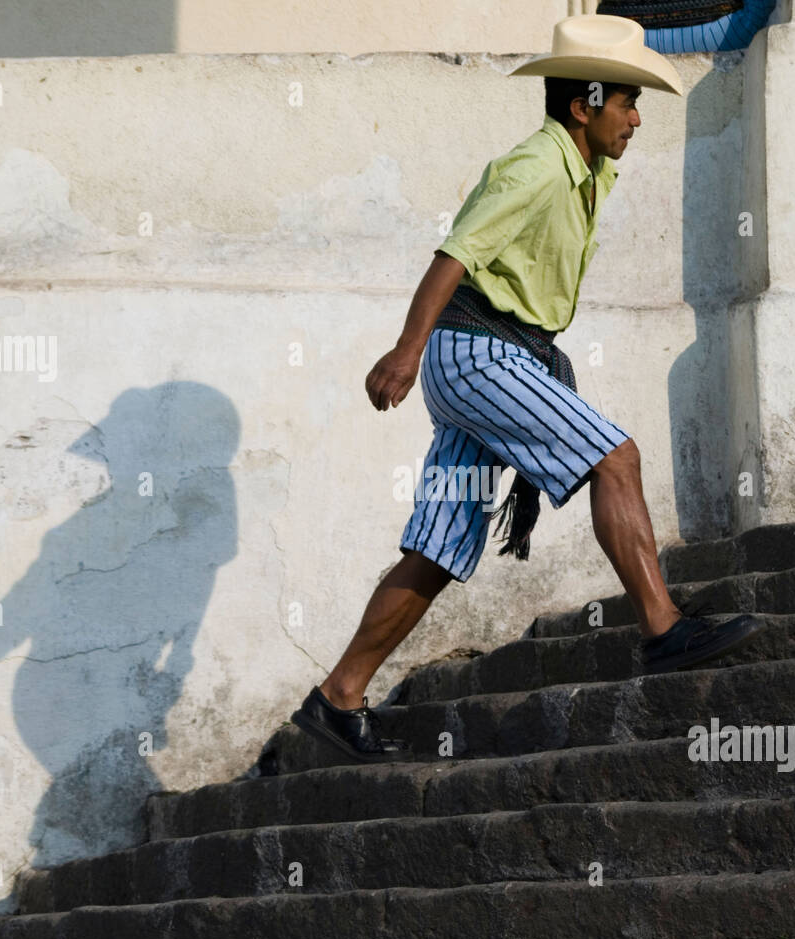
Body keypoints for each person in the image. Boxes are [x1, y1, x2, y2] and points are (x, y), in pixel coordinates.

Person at [292, 14, 764, 763]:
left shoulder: (589, 170)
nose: (637, 119)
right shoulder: (537, 166)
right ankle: (664, 629)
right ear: (585, 104)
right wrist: (405, 351)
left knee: (442, 546)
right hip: (475, 353)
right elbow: (456, 253)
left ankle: (338, 696)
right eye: (627, 103)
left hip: (495, 352)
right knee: (617, 457)